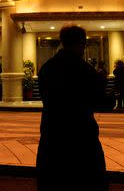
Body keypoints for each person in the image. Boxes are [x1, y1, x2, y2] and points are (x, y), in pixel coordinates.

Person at [37, 24, 107, 191]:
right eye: (83, 44)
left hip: (52, 135)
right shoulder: (85, 70)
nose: (84, 48)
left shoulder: (47, 68)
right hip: (81, 138)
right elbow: (101, 101)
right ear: (80, 43)